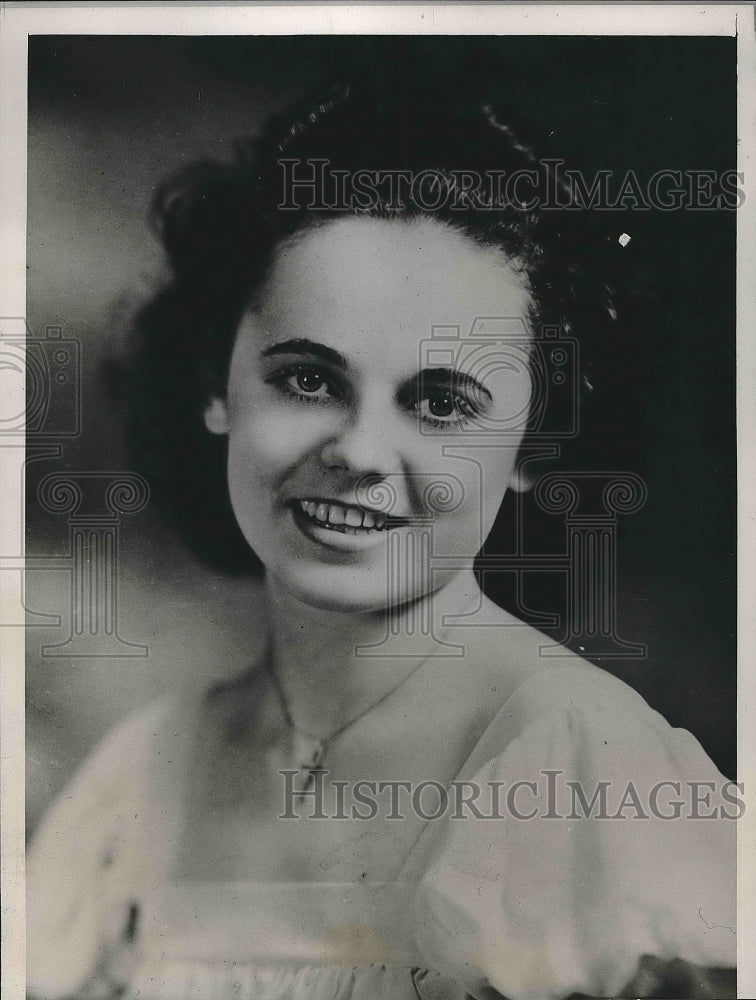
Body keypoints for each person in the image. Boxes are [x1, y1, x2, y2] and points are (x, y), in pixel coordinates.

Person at [26, 77, 736, 1000]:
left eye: (440, 402)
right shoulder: (147, 772)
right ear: (216, 382)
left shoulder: (578, 764)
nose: (358, 452)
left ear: (534, 444)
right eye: (309, 380)